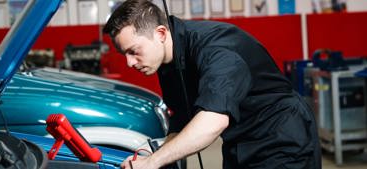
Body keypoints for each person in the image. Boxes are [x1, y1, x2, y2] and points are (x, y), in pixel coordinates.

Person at [103, 0, 322, 168]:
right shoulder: (168, 62)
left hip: (281, 137)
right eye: (124, 54)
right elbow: (182, 123)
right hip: (240, 142)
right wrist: (152, 150)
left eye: (133, 51)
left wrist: (153, 162)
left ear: (160, 33)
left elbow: (212, 122)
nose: (129, 62)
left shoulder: (216, 51)